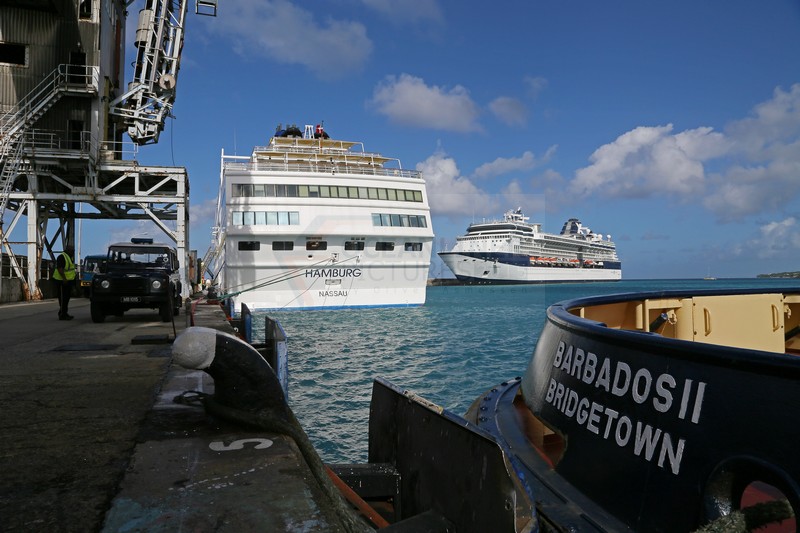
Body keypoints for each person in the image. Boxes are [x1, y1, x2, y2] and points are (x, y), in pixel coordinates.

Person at [54, 245, 77, 320]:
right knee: (63, 299)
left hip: (68, 281)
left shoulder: (70, 257)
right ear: (68, 250)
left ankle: (63, 312)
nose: (73, 252)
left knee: (66, 298)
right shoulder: (62, 257)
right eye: (72, 250)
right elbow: (60, 269)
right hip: (62, 281)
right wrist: (64, 279)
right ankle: (62, 314)